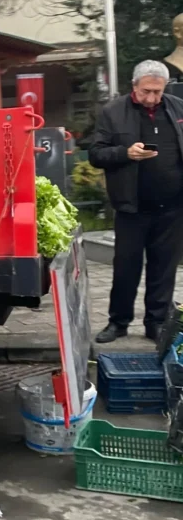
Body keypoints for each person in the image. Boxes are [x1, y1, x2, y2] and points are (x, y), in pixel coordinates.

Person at [90, 59, 183, 344]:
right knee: (126, 268)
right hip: (132, 207)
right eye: (146, 91)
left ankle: (156, 323)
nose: (152, 98)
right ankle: (118, 322)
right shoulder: (113, 111)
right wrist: (125, 153)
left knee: (164, 268)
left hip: (173, 206)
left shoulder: (177, 107)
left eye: (157, 91)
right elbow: (96, 154)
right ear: (134, 86)